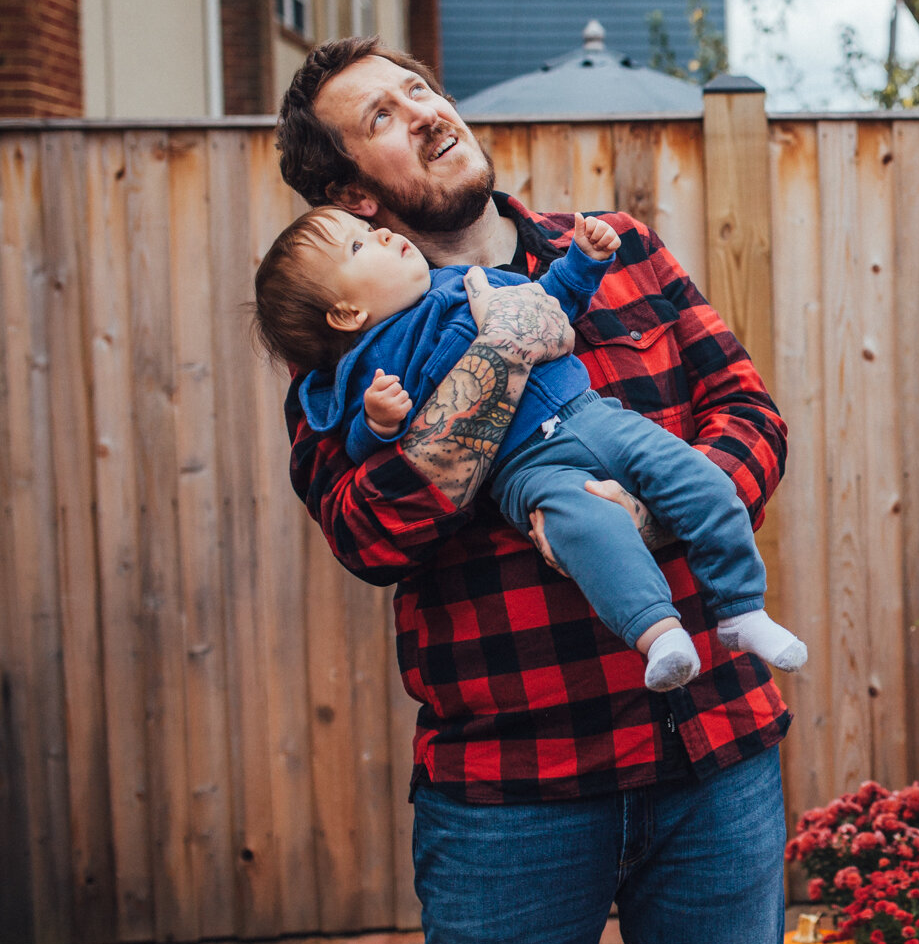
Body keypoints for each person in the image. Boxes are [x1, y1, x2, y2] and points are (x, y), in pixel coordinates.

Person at [274, 36, 791, 944]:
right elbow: (371, 529)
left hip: (714, 752)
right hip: (512, 790)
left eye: (418, 88)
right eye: (380, 116)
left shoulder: (614, 250)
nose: (423, 111)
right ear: (352, 198)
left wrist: (656, 516)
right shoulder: (349, 360)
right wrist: (503, 348)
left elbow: (747, 412)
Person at [253, 205, 808, 692]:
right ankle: (660, 637)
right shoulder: (361, 370)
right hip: (526, 470)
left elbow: (550, 302)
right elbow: (356, 450)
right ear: (347, 314)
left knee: (700, 478)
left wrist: (585, 263)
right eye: (359, 244)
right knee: (586, 531)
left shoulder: (464, 282)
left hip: (594, 416)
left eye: (369, 231)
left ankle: (741, 609)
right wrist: (375, 423)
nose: (381, 237)